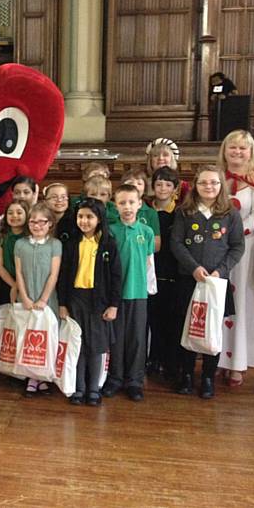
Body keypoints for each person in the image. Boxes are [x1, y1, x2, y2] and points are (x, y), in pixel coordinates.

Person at [171, 165, 244, 399]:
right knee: (188, 328)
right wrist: (194, 268)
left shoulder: (230, 213)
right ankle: (187, 375)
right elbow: (177, 243)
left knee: (212, 330)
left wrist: (220, 271)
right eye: (203, 183)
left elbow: (237, 246)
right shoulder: (185, 212)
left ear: (221, 185)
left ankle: (209, 377)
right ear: (195, 185)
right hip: (189, 280)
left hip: (216, 283)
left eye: (214, 182)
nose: (208, 187)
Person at [217, 130, 254, 386]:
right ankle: (219, 360)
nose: (237, 152)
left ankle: (238, 363)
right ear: (225, 150)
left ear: (251, 152)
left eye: (243, 148)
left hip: (246, 250)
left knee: (241, 304)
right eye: (233, 147)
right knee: (219, 304)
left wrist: (234, 235)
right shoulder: (218, 178)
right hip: (217, 250)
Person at [58, 198, 122, 406]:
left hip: (99, 302)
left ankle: (94, 388)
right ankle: (79, 388)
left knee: (96, 346)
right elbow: (64, 275)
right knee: (78, 345)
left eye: (89, 217)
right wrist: (63, 303)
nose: (84, 221)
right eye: (81, 216)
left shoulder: (108, 244)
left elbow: (116, 277)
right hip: (76, 299)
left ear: (99, 219)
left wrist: (113, 304)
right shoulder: (71, 244)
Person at [102, 184, 155, 402]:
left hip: (138, 292)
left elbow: (149, 263)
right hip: (116, 295)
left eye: (131, 202)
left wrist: (150, 288)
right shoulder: (110, 231)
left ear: (140, 204)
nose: (127, 207)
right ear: (115, 205)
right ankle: (115, 378)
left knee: (136, 338)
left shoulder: (146, 232)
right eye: (122, 203)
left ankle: (134, 380)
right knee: (116, 337)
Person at [14, 202, 62, 397]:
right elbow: (19, 273)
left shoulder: (55, 245)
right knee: (28, 338)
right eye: (33, 222)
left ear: (50, 223)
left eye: (42, 222)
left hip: (47, 301)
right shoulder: (20, 244)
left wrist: (43, 299)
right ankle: (31, 377)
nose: (37, 226)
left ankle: (42, 378)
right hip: (26, 298)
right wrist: (24, 297)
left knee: (45, 338)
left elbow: (53, 274)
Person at [147, 166, 180, 380]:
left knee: (171, 319)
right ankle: (153, 359)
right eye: (159, 184)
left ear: (175, 188)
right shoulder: (146, 211)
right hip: (151, 271)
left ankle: (170, 362)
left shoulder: (179, 212)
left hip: (172, 271)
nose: (162, 188)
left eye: (168, 185)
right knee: (153, 319)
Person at [0, 199, 29, 307]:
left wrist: (20, 286)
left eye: (19, 212)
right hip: (7, 282)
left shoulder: (30, 237)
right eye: (10, 213)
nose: (14, 216)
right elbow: (0, 266)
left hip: (27, 283)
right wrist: (14, 285)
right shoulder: (2, 236)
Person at [120, 167, 161, 252]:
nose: (135, 186)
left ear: (145, 189)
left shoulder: (151, 213)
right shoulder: (116, 210)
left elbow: (156, 246)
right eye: (131, 183)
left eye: (139, 183)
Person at [145, 138, 189, 203]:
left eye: (165, 155)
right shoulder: (142, 185)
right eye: (155, 155)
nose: (160, 158)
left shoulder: (183, 186)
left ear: (172, 159)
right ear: (150, 160)